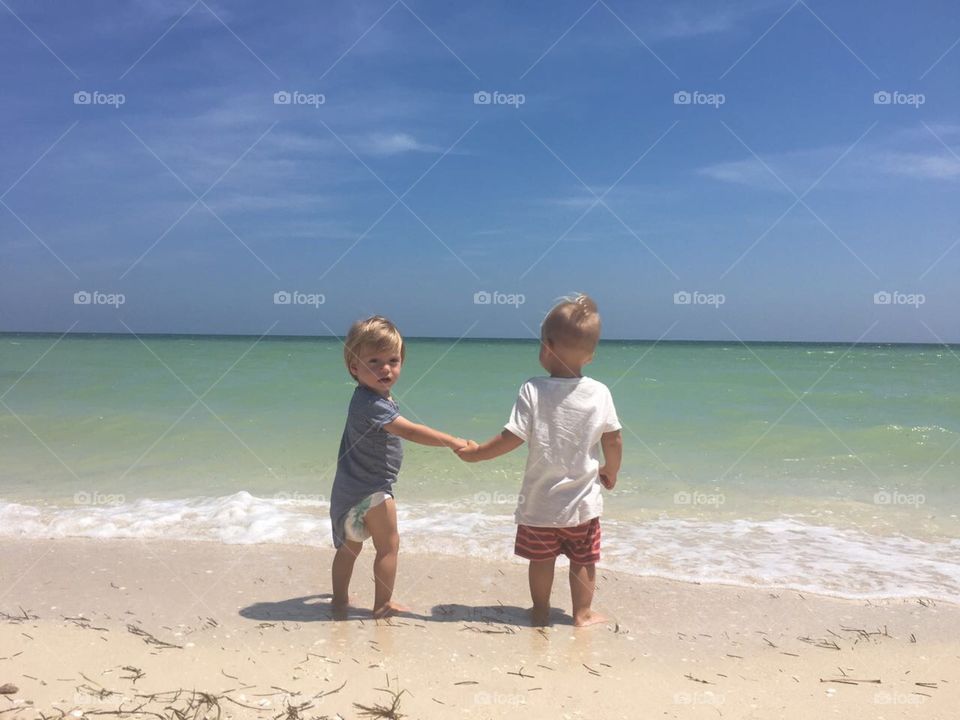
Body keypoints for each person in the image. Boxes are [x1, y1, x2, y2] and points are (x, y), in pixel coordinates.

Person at [457, 294, 622, 626]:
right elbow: (613, 438)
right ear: (590, 356)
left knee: (541, 560)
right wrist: (610, 470)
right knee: (583, 561)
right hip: (582, 506)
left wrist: (476, 454)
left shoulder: (532, 389)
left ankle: (541, 609)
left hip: (539, 505)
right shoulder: (600, 392)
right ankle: (582, 613)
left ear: (546, 347)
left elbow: (511, 438)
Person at [330, 315, 470, 618]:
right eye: (374, 361)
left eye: (393, 360)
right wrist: (452, 441)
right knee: (388, 548)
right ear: (354, 367)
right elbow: (408, 430)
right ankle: (382, 604)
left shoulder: (365, 398)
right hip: (374, 490)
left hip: (347, 492)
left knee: (349, 549)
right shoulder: (374, 404)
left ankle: (339, 600)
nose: (386, 368)